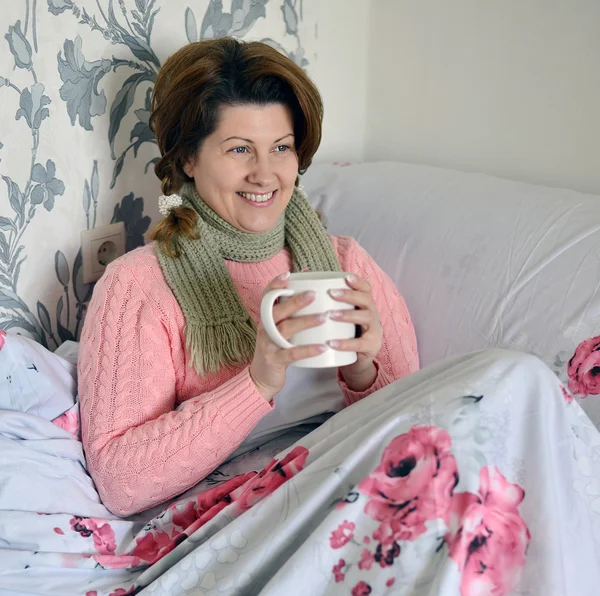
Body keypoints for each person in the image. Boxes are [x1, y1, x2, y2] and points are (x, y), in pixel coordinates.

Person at [78, 37, 419, 517]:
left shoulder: (346, 263)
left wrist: (363, 373)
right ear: (189, 160)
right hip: (246, 514)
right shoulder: (139, 287)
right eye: (240, 149)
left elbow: (420, 429)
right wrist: (257, 382)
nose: (265, 174)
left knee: (515, 378)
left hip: (355, 491)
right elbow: (121, 482)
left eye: (280, 147)